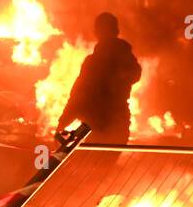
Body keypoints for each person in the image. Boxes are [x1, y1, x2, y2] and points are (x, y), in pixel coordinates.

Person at [56, 12, 142, 143]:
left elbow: (79, 95)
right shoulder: (127, 60)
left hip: (95, 123)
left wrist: (63, 121)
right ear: (117, 31)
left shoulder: (93, 62)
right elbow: (135, 74)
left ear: (96, 32)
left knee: (92, 161)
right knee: (108, 160)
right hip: (118, 123)